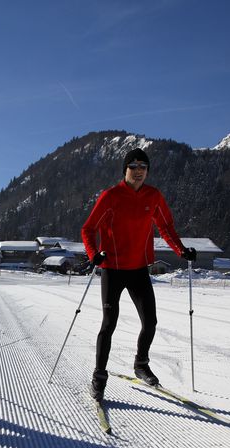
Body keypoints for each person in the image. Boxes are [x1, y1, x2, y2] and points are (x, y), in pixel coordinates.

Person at [81, 148, 196, 402]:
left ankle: (141, 364)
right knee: (109, 324)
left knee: (151, 322)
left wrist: (181, 250)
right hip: (112, 269)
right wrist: (94, 255)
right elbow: (88, 229)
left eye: (143, 166)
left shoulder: (153, 196)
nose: (139, 170)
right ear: (125, 170)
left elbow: (166, 226)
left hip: (139, 269)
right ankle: (99, 377)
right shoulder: (110, 196)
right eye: (133, 166)